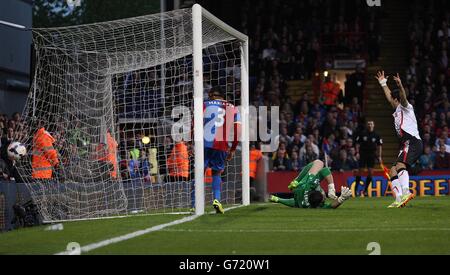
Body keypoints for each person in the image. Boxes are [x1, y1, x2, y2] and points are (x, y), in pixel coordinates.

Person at [375, 71, 423, 208]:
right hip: (406, 143)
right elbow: (390, 97)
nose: (390, 100)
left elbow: (402, 97)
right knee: (392, 171)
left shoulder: (406, 107)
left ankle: (406, 192)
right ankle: (398, 199)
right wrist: (383, 83)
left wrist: (400, 85)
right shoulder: (396, 111)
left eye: (392, 98)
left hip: (412, 141)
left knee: (401, 166)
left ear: (396, 99)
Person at [191, 86, 241, 214]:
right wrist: (233, 148)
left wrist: (192, 143)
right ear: (223, 96)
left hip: (204, 144)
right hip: (221, 145)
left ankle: (193, 204)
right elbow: (238, 131)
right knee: (217, 173)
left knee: (198, 173)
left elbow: (194, 125)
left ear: (212, 95)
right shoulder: (232, 108)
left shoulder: (203, 105)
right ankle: (217, 200)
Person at [270, 160, 352, 209]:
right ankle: (278, 197)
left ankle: (297, 180)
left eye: (324, 195)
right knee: (297, 202)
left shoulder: (312, 185)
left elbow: (325, 170)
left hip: (302, 185)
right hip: (297, 194)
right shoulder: (308, 205)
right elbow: (294, 203)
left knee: (319, 162)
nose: (325, 195)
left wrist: (331, 188)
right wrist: (341, 198)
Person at [354, 120, 383, 196]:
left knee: (370, 172)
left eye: (371, 124)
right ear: (367, 125)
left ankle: (365, 190)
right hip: (363, 154)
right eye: (368, 124)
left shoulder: (377, 135)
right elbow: (357, 143)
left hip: (372, 155)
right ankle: (356, 189)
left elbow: (379, 146)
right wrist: (357, 152)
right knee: (360, 171)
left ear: (374, 125)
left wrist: (379, 156)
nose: (370, 125)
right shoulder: (362, 133)